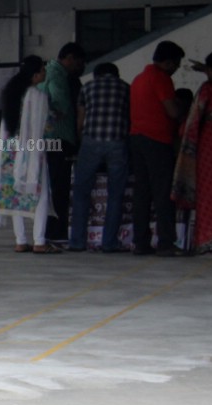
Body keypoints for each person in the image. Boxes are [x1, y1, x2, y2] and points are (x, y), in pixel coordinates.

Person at [0, 55, 59, 254]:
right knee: (39, 194)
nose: (45, 73)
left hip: (9, 152)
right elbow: (46, 129)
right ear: (35, 74)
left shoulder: (11, 94)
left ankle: (20, 240)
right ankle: (39, 241)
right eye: (43, 70)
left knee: (14, 193)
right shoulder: (39, 97)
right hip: (32, 152)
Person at [172, 50, 212, 257]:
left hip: (210, 149)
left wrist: (183, 137)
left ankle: (210, 242)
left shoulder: (209, 89)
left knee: (210, 195)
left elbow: (193, 119)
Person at [129, 40, 186, 255]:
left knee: (142, 192)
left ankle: (141, 242)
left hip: (137, 139)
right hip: (157, 140)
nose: (177, 69)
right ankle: (165, 242)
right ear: (169, 62)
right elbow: (171, 111)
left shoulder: (139, 78)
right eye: (177, 64)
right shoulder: (161, 79)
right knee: (162, 193)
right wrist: (181, 107)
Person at [68, 62, 129, 253]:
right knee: (115, 194)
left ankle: (77, 242)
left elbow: (80, 120)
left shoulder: (87, 87)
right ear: (116, 74)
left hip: (91, 141)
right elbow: (129, 117)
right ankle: (109, 243)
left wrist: (80, 141)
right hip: (117, 141)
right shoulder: (126, 88)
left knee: (81, 193)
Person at [42, 42, 86, 246]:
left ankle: (45, 230)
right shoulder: (58, 75)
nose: (78, 68)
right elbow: (60, 101)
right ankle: (56, 232)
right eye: (77, 63)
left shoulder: (47, 72)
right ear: (68, 58)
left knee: (49, 186)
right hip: (59, 137)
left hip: (46, 138)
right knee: (59, 187)